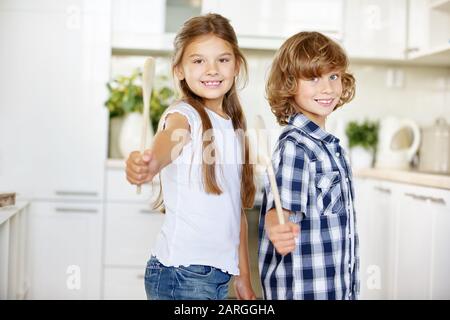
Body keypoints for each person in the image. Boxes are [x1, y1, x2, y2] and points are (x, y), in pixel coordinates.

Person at [125, 13, 256, 300]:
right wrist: (150, 163)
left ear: (237, 65)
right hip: (182, 274)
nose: (212, 69)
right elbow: (170, 141)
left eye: (223, 59)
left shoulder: (233, 128)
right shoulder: (185, 115)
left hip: (218, 277)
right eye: (198, 61)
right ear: (180, 70)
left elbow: (237, 215)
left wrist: (243, 278)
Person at [258, 31, 359, 300]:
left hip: (333, 288)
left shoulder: (328, 146)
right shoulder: (296, 147)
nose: (327, 88)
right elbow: (281, 212)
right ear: (289, 84)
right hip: (303, 291)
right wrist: (277, 227)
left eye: (333, 76)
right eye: (313, 78)